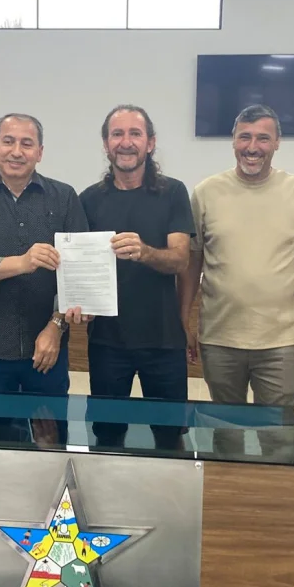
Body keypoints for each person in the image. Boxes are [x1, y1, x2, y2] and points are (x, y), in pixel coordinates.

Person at [179, 104, 294, 452]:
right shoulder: (206, 192)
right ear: (233, 141)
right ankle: (232, 488)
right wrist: (184, 320)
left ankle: (274, 489)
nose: (252, 147)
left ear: (277, 143)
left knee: (278, 436)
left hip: (281, 340)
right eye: (245, 137)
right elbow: (193, 261)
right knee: (226, 434)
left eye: (263, 138)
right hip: (220, 337)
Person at [0, 113, 88, 405]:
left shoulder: (64, 197)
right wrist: (21, 263)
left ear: (40, 152)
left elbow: (77, 273)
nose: (16, 151)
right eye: (8, 141)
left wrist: (56, 326)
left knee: (49, 428)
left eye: (27, 143)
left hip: (48, 347)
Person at [79, 105, 193, 449]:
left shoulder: (173, 193)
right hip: (107, 342)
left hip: (163, 339)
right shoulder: (88, 200)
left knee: (170, 435)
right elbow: (79, 267)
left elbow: (180, 259)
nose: (125, 142)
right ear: (105, 144)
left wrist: (145, 252)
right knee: (107, 434)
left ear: (150, 143)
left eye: (135, 134)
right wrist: (77, 301)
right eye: (117, 134)